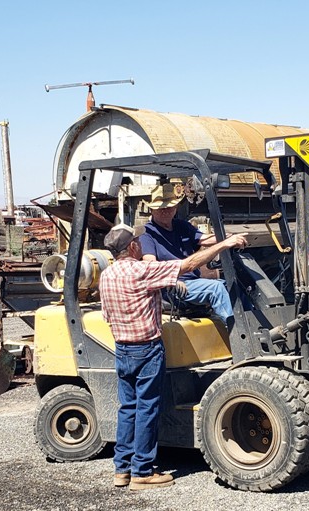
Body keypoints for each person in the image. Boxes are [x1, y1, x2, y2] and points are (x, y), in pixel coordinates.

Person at [100, 222, 248, 490]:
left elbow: (107, 315)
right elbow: (189, 264)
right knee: (147, 408)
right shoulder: (142, 270)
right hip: (146, 348)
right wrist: (224, 244)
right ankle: (142, 472)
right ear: (132, 246)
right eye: (137, 242)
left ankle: (122, 469)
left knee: (128, 408)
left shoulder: (106, 276)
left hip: (122, 349)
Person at [139, 183, 243, 326]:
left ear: (176, 208)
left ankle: (256, 329)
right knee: (216, 289)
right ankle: (241, 334)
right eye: (160, 208)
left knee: (235, 286)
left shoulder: (181, 226)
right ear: (152, 210)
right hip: (172, 288)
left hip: (193, 283)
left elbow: (205, 239)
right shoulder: (147, 234)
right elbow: (150, 264)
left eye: (169, 207)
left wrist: (230, 238)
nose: (165, 211)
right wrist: (170, 280)